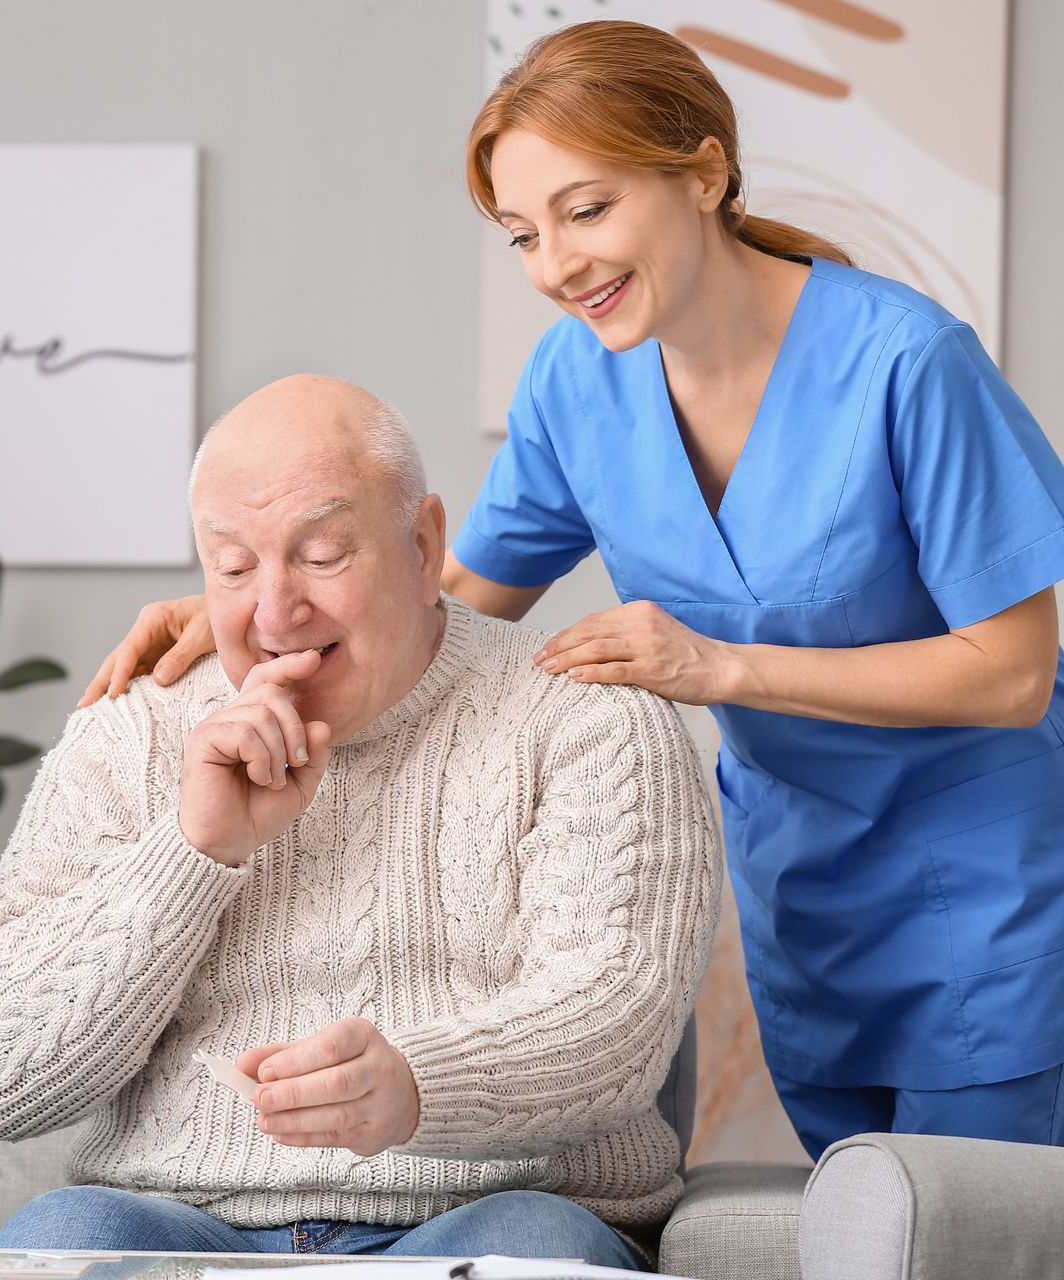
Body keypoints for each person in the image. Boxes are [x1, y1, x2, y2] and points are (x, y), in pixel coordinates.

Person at [80, 20, 1064, 1160]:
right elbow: (445, 595)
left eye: (586, 211)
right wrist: (265, 604)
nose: (557, 264)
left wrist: (718, 666)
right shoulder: (574, 382)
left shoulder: (908, 364)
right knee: (854, 1230)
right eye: (523, 236)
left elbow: (1013, 671)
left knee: (970, 1239)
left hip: (986, 884)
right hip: (803, 889)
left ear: (704, 172)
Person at [0, 375, 720, 1268]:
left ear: (424, 547)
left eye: (321, 554)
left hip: (499, 1205)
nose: (274, 612)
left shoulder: (591, 721)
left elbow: (615, 1024)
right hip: (182, 1221)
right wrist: (191, 851)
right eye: (233, 568)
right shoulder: (131, 732)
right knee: (64, 1242)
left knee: (529, 1251)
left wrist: (422, 1086)